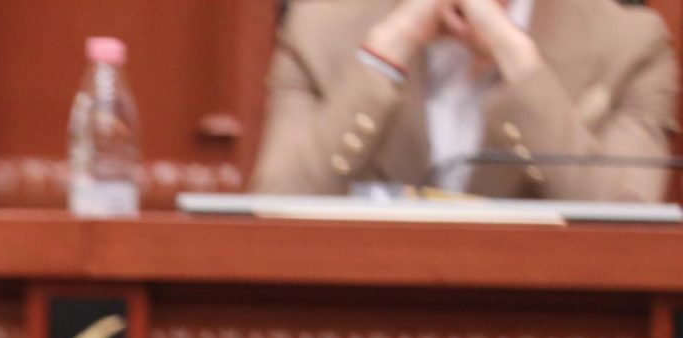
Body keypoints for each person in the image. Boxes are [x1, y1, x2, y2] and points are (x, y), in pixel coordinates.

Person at [252, 0, 678, 201]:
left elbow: (631, 230)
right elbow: (276, 202)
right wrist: (388, 51)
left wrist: (518, 63)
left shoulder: (627, 46)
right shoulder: (319, 30)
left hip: (546, 327)